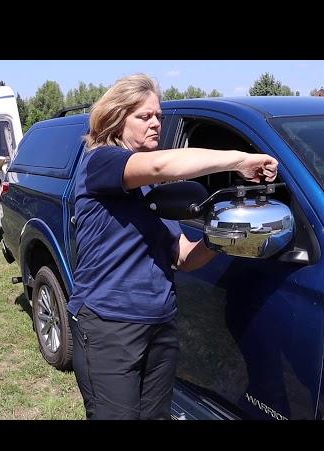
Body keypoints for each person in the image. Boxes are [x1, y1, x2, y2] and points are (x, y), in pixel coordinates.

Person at [66, 73, 278, 420]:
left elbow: (183, 256)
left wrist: (220, 235)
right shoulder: (101, 161)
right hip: (109, 325)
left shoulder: (153, 191)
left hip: (160, 322)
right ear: (117, 119)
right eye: (144, 116)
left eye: (158, 117)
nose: (155, 124)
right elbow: (163, 164)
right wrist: (240, 160)